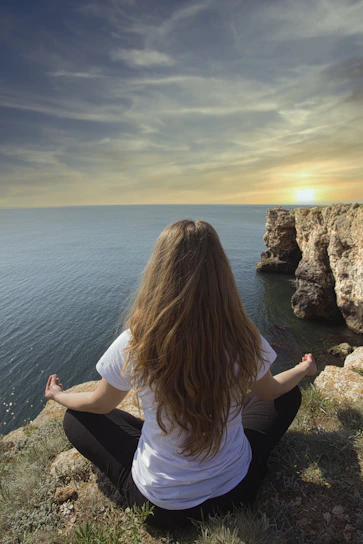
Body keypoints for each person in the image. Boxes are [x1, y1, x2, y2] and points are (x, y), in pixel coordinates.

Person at [45, 219, 316, 529]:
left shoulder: (137, 341)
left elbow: (99, 404)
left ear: (159, 272)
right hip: (237, 491)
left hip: (162, 509)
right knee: (287, 392)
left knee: (76, 417)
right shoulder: (243, 336)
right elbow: (268, 392)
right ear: (221, 274)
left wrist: (59, 395)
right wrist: (302, 368)